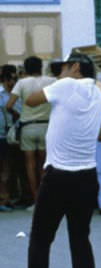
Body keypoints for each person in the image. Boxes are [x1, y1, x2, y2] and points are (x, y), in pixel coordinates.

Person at [8, 52, 101, 268]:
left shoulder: (65, 86)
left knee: (41, 240)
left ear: (75, 67)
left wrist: (58, 81)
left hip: (58, 177)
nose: (59, 72)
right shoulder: (100, 95)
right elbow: (100, 134)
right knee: (80, 241)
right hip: (86, 177)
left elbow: (30, 100)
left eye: (62, 68)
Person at [6, 56, 57, 211]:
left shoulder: (22, 83)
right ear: (41, 67)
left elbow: (9, 105)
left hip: (28, 126)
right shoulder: (51, 81)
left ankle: (36, 199)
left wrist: (18, 115)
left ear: (26, 69)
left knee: (30, 164)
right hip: (47, 126)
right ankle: (47, 198)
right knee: (44, 164)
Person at [0, 67, 18, 211]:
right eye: (13, 78)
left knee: (7, 169)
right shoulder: (3, 95)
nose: (15, 81)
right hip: (2, 136)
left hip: (5, 135)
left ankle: (6, 197)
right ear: (6, 80)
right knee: (5, 169)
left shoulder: (10, 94)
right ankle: (4, 199)